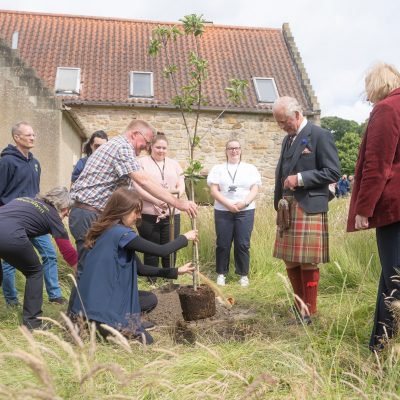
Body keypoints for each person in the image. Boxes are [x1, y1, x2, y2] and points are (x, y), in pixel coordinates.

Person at [69, 119, 197, 280]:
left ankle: (97, 303)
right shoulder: (121, 147)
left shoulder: (120, 148)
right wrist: (178, 203)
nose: (147, 147)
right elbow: (143, 180)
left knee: (100, 267)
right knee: (88, 267)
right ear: (135, 134)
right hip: (88, 214)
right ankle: (80, 305)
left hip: (95, 214)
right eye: (147, 142)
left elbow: (130, 189)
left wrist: (158, 203)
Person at [70, 187, 196, 344]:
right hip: (102, 311)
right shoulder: (121, 234)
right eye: (135, 212)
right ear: (123, 210)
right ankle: (114, 327)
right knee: (147, 341)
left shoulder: (108, 231)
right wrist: (184, 237)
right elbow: (162, 251)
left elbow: (141, 269)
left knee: (150, 299)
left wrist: (176, 271)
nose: (138, 217)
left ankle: (101, 327)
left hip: (88, 306)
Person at [272, 96, 340, 324]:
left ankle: (309, 311)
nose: (282, 127)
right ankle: (299, 304)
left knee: (308, 261)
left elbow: (333, 172)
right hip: (287, 207)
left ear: (297, 115)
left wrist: (300, 179)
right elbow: (281, 172)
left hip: (308, 206)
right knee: (289, 260)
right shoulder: (287, 139)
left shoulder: (320, 135)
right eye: (279, 123)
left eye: (284, 122)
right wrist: (277, 203)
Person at [347, 63, 400, 351]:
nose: (368, 98)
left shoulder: (388, 108)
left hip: (395, 209)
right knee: (393, 274)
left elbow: (377, 165)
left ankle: (386, 347)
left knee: (395, 279)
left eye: (368, 90)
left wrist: (363, 208)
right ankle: (380, 344)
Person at [0, 122, 66, 306]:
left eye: (33, 135)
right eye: (28, 135)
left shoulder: (35, 163)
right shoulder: (6, 161)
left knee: (49, 254)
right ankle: (11, 301)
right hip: (11, 220)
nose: (32, 138)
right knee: (9, 263)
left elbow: (35, 191)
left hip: (34, 217)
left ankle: (55, 296)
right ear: (17, 138)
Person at [0, 187, 77, 329]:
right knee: (34, 272)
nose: (66, 215)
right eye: (67, 211)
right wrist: (81, 273)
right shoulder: (53, 216)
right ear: (64, 207)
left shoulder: (26, 200)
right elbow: (68, 252)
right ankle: (32, 323)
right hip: (9, 236)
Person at [207, 139, 261, 287]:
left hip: (245, 211)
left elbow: (254, 188)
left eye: (236, 148)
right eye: (230, 148)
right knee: (223, 244)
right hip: (223, 211)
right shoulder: (218, 168)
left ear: (241, 150)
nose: (234, 151)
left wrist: (244, 203)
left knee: (242, 244)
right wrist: (227, 204)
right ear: (226, 151)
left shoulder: (250, 168)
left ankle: (243, 275)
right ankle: (221, 274)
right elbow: (214, 190)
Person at [134, 133, 185, 272]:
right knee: (151, 247)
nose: (161, 150)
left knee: (171, 246)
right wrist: (156, 200)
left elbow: (181, 184)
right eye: (158, 147)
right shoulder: (141, 163)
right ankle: (153, 279)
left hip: (172, 213)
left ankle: (169, 276)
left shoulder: (174, 164)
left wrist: (174, 200)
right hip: (148, 213)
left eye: (164, 148)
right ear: (151, 147)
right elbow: (137, 187)